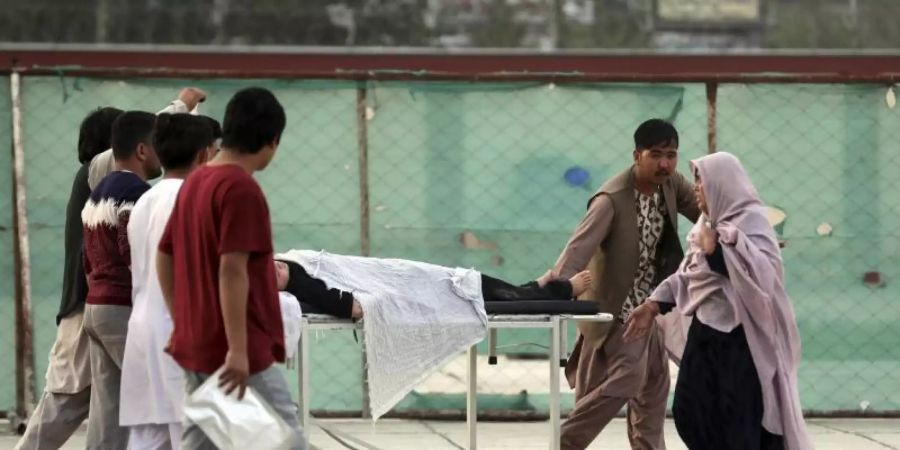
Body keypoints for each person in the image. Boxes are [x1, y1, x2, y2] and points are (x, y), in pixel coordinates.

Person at [623, 152, 811, 450]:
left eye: (702, 179)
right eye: (696, 179)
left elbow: (763, 277)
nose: (697, 187)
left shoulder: (752, 222)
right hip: (705, 335)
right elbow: (687, 275)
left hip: (743, 341)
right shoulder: (704, 226)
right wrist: (653, 305)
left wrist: (718, 252)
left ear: (723, 184)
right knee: (690, 413)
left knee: (739, 422)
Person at [156, 87, 306, 449]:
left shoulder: (196, 181)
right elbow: (233, 270)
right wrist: (238, 350)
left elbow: (165, 255)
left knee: (202, 439)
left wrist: (181, 321)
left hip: (197, 338)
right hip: (238, 350)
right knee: (288, 442)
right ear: (272, 141)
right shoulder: (240, 188)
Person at [553, 119, 700, 450]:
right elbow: (577, 250)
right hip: (613, 312)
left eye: (671, 155)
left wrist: (746, 230)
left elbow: (707, 211)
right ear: (637, 155)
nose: (664, 163)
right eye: (656, 154)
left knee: (654, 389)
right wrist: (554, 290)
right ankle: (562, 443)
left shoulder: (672, 185)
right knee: (627, 381)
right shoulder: (611, 199)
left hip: (649, 309)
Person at [14, 106, 122, 450]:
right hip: (83, 312)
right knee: (64, 401)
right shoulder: (93, 174)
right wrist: (177, 109)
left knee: (108, 405)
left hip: (98, 310)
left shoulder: (113, 189)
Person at [120, 114, 216, 450]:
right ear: (205, 154)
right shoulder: (193, 198)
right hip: (178, 327)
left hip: (143, 327)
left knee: (149, 436)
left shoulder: (147, 198)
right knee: (189, 433)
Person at [81, 110, 162, 448]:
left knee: (107, 415)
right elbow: (131, 251)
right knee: (158, 404)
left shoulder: (98, 190)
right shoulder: (134, 190)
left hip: (95, 307)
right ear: (143, 150)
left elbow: (87, 258)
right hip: (121, 310)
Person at [274, 258, 592, 319]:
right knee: (471, 289)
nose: (274, 268)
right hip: (407, 287)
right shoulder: (299, 281)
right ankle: (559, 290)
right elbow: (352, 308)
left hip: (401, 276)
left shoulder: (291, 267)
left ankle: (533, 289)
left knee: (473, 285)